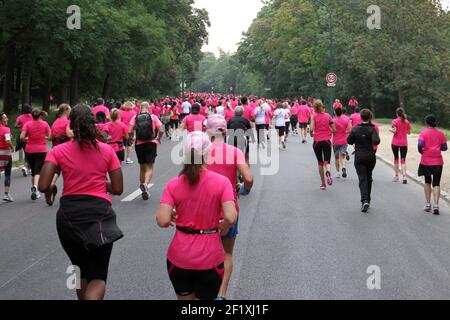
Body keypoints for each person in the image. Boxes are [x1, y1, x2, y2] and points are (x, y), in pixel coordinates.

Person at [38, 104, 124, 300]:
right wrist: (99, 181)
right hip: (98, 215)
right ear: (93, 124)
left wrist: (52, 188)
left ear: (71, 125)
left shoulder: (58, 151)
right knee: (98, 276)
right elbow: (118, 189)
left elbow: (43, 185)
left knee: (78, 269)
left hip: (68, 216)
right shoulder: (106, 151)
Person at [156, 131, 238, 300]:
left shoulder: (173, 184)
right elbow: (231, 216)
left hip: (179, 257)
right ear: (208, 153)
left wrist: (172, 214)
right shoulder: (222, 182)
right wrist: (224, 226)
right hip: (210, 258)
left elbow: (162, 220)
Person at [205, 115, 253, 300]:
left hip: (203, 210)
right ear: (226, 131)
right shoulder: (234, 152)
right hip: (228, 211)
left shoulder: (198, 153)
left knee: (204, 250)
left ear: (207, 131)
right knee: (226, 253)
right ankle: (221, 294)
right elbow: (248, 178)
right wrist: (244, 189)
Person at [347, 109, 381, 213]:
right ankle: (368, 200)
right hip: (370, 156)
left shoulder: (356, 128)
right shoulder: (372, 129)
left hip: (359, 156)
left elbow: (349, 140)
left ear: (361, 117)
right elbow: (377, 141)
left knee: (362, 178)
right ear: (370, 117)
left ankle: (364, 200)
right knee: (369, 176)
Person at [129, 102, 163, 200]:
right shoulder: (153, 117)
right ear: (149, 108)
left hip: (139, 143)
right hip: (151, 143)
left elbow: (129, 131)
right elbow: (161, 130)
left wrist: (131, 139)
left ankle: (143, 187)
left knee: (142, 166)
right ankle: (145, 184)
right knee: (150, 167)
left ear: (140, 108)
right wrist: (158, 139)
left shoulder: (135, 117)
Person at [418, 115, 448, 215]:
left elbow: (420, 145)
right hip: (438, 161)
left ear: (426, 123)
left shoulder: (423, 133)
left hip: (426, 161)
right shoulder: (441, 133)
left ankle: (427, 204)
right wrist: (437, 148)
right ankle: (436, 205)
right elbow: (444, 148)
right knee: (436, 183)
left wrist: (423, 152)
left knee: (427, 181)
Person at [20, 109, 52, 200]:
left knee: (34, 171)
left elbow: (21, 137)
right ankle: (35, 186)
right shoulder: (45, 124)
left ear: (31, 116)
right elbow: (50, 137)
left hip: (29, 150)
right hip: (41, 150)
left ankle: (35, 191)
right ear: (40, 115)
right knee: (38, 170)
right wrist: (44, 137)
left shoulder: (27, 124)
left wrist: (27, 138)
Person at [47, 104, 73, 206]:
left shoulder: (55, 122)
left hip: (55, 148)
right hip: (66, 149)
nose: (70, 112)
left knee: (57, 170)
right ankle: (70, 193)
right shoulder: (68, 122)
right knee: (70, 170)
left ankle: (52, 184)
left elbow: (50, 137)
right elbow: (69, 134)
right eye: (69, 110)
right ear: (66, 110)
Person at [310, 100, 336, 190]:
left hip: (317, 141)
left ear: (314, 107)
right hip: (326, 141)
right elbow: (334, 129)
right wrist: (329, 131)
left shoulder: (314, 116)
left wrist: (311, 133)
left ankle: (323, 184)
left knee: (320, 163)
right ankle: (328, 171)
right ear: (322, 106)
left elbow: (311, 128)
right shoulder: (328, 116)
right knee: (327, 161)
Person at [390, 108, 411, 184]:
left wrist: (390, 130)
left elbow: (394, 131)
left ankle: (396, 176)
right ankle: (404, 177)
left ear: (396, 113)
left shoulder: (394, 121)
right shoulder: (407, 122)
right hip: (404, 143)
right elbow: (409, 133)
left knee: (396, 158)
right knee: (403, 160)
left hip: (395, 142)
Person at [333, 107, 352, 179]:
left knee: (336, 157)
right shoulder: (346, 119)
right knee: (343, 155)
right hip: (344, 140)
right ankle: (343, 167)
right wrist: (345, 132)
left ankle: (338, 173)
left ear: (335, 112)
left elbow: (331, 130)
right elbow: (350, 129)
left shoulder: (333, 120)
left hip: (335, 140)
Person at [14, 104, 33, 177]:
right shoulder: (32, 116)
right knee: (29, 153)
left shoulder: (20, 117)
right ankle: (26, 167)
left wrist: (22, 126)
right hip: (30, 136)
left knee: (27, 152)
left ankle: (29, 168)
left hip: (22, 136)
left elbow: (15, 126)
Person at [0, 112, 14, 202]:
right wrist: (12, 147)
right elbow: (8, 141)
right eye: (5, 118)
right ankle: (6, 194)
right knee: (7, 173)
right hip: (5, 153)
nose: (7, 119)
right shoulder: (6, 129)